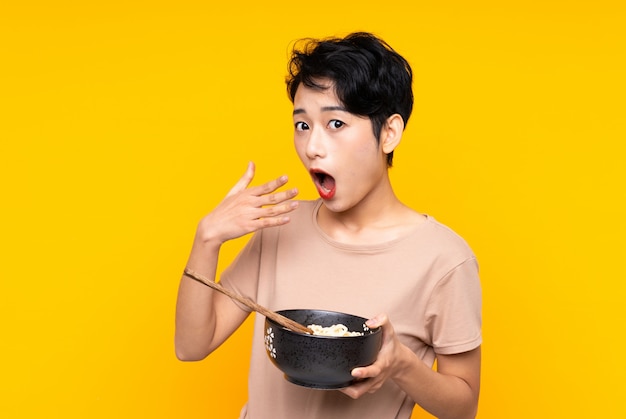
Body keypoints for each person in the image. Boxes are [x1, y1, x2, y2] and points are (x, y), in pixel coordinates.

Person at [175, 32, 482, 419]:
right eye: (303, 126)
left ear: (389, 133)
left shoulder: (444, 259)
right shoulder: (279, 228)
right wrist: (207, 238)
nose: (313, 147)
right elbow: (191, 346)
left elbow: (464, 407)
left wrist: (400, 364)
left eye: (335, 123)